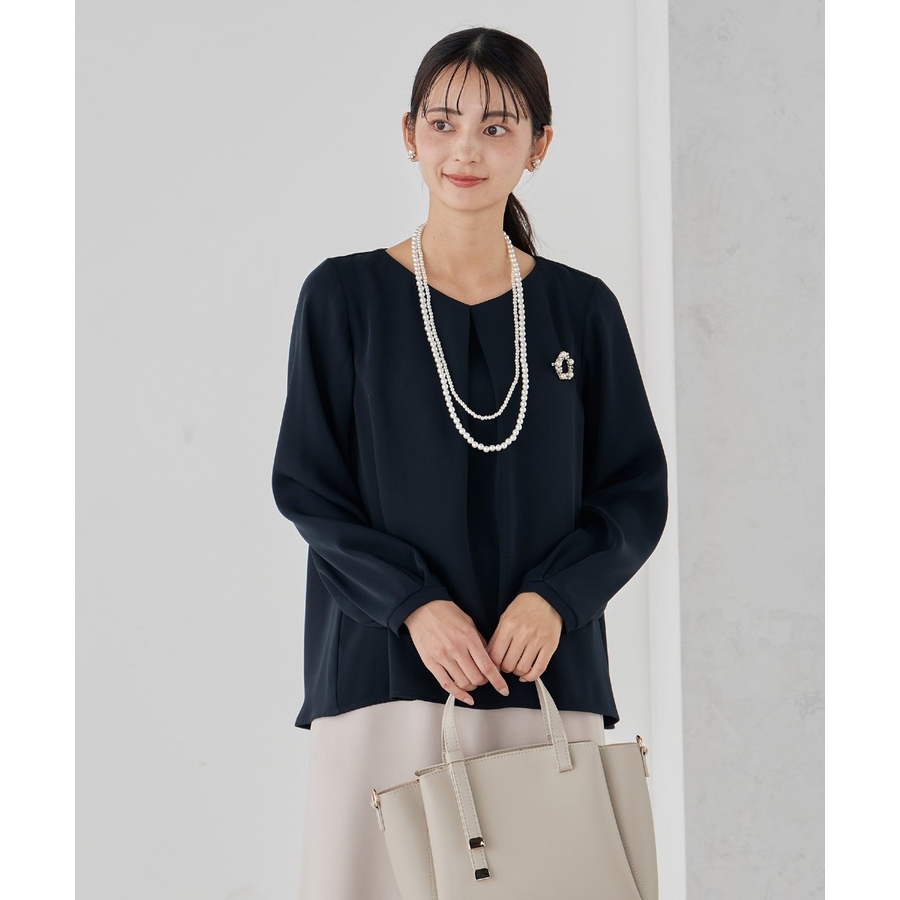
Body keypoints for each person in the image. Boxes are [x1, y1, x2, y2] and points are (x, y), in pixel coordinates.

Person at [271, 25, 669, 900]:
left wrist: (555, 597)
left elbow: (635, 491)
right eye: (444, 122)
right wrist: (412, 605)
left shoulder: (581, 310)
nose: (466, 150)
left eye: (497, 127)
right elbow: (309, 487)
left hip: (540, 677)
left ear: (539, 146)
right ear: (409, 133)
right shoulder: (344, 297)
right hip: (383, 673)